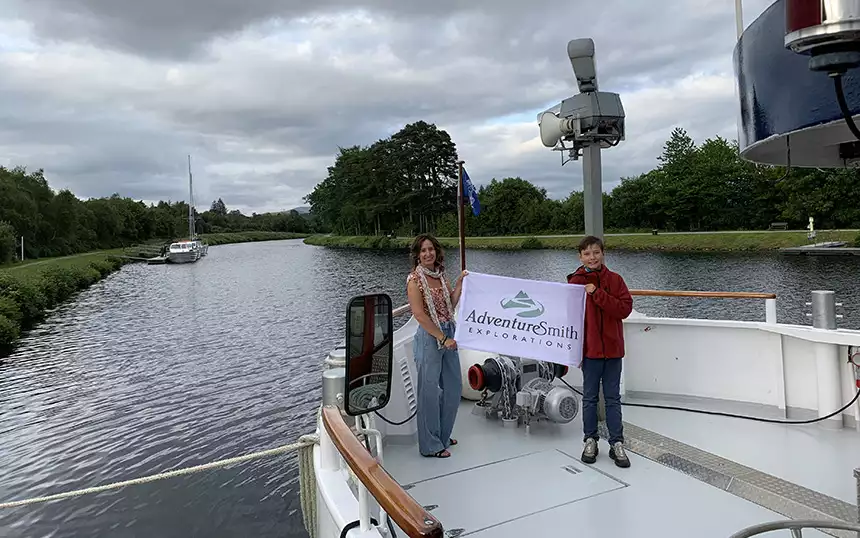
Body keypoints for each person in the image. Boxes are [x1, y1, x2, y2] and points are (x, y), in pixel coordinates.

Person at [566, 235, 633, 468]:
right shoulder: (574, 283)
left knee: (613, 398)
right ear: (580, 256)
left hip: (614, 351)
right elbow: (567, 315)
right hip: (590, 352)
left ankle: (616, 443)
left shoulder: (615, 280)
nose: (592, 257)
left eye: (596, 252)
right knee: (590, 398)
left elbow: (624, 309)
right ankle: (590, 439)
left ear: (603, 253)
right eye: (587, 253)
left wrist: (597, 293)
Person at [406, 234, 467, 458]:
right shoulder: (414, 280)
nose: (428, 253)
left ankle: (442, 434)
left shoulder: (441, 276)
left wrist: (459, 284)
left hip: (448, 330)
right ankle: (430, 444)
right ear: (417, 255)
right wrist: (441, 338)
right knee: (429, 392)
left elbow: (449, 304)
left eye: (431, 249)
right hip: (430, 336)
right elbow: (420, 315)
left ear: (436, 251)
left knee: (453, 388)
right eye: (423, 251)